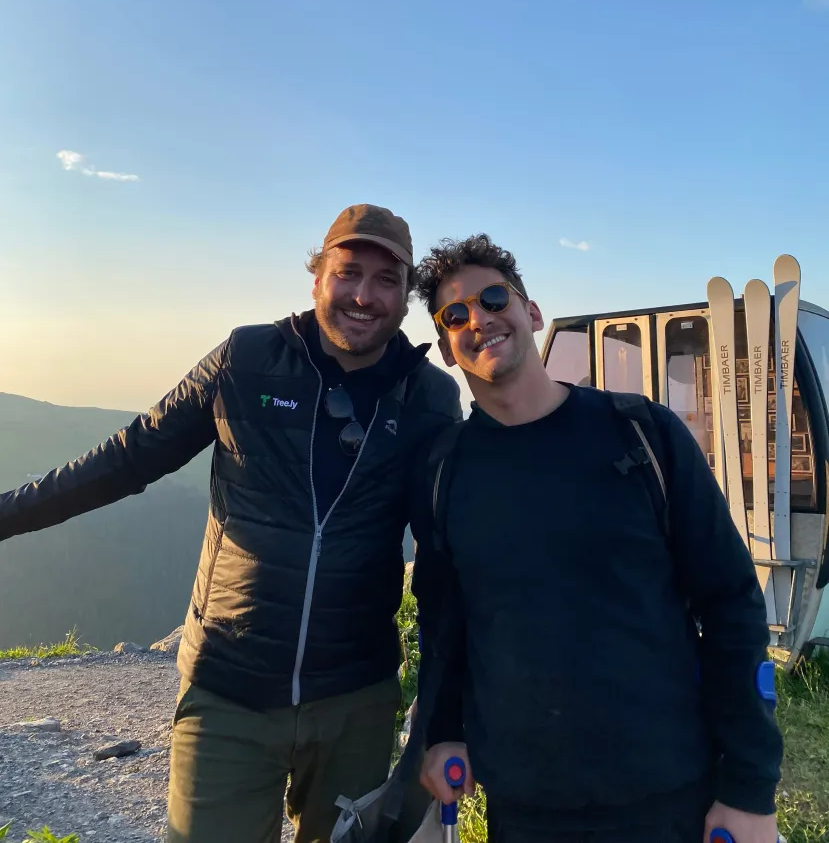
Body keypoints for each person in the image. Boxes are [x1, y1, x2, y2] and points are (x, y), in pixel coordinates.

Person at [0, 204, 461, 843]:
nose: (363, 295)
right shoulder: (246, 360)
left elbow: (445, 559)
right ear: (316, 277)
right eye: (348, 272)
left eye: (386, 280)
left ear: (405, 297)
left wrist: (439, 717)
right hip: (229, 689)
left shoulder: (429, 398)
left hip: (357, 697)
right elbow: (128, 457)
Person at [410, 234, 783, 843]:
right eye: (455, 316)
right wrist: (444, 732)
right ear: (449, 350)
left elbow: (730, 602)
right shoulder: (444, 469)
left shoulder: (641, 434)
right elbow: (446, 615)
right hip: (524, 804)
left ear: (531, 313)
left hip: (664, 793)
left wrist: (748, 789)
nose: (477, 319)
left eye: (493, 297)